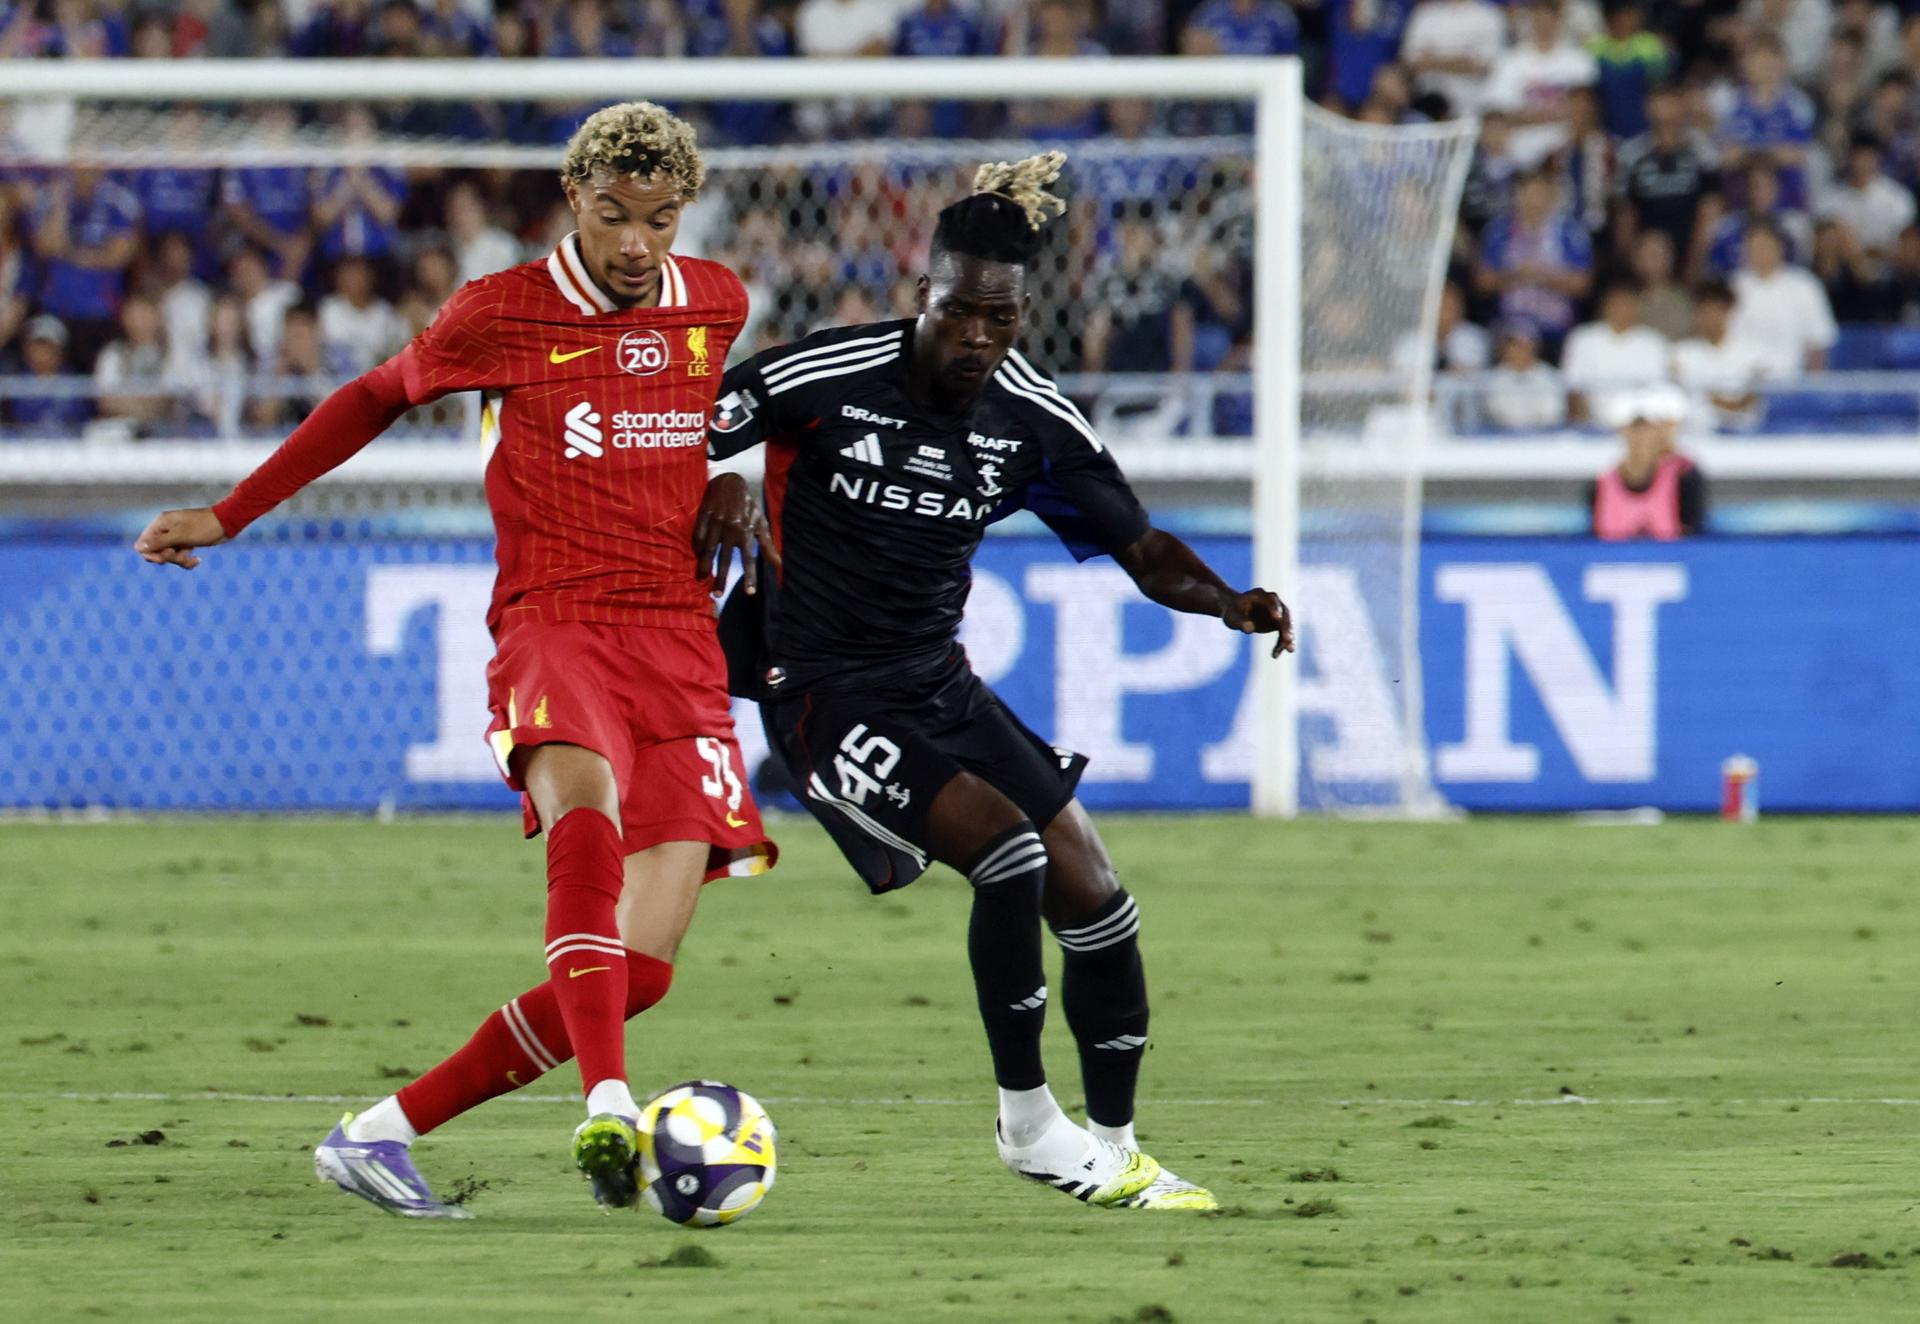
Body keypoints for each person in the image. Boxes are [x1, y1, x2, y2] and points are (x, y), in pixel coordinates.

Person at [132, 101, 778, 1219]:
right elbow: (372, 397)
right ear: (573, 200)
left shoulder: (716, 300)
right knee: (585, 817)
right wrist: (232, 513)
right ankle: (608, 1103)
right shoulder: (501, 310)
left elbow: (705, 414)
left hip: (679, 635)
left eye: (661, 219)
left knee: (644, 971)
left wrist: (734, 475)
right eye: (614, 215)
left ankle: (377, 1134)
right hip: (556, 618)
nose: (637, 243)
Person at [706, 152, 1292, 1212]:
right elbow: (687, 426)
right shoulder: (822, 375)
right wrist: (723, 480)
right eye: (961, 312)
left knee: (1098, 897)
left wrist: (1227, 601)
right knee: (1008, 853)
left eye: (1002, 318)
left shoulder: (1032, 418)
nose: (978, 336)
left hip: (939, 682)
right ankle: (1028, 1126)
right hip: (822, 689)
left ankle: (1114, 1146)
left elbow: (1141, 546)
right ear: (921, 293)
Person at [1587, 385, 1705, 539]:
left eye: (1648, 426)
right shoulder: (1600, 483)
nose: (1641, 435)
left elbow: (1693, 538)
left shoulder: (1685, 478)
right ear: (1621, 430)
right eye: (1635, 426)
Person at [1729, 219, 1837, 375]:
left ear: (1780, 247)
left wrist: (1814, 382)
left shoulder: (1804, 285)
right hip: (1740, 378)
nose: (1759, 252)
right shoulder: (1732, 286)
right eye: (1753, 246)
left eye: (1764, 246)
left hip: (1792, 378)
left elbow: (1818, 341)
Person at [1559, 278, 1669, 423]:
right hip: (1591, 425)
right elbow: (1573, 387)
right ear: (1605, 305)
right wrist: (1582, 424)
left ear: (1639, 306)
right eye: (1617, 303)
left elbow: (1659, 390)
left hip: (1640, 425)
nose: (1622, 308)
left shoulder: (1654, 342)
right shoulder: (1582, 338)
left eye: (1628, 303)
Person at [1670, 279, 1772, 431]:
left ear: (1728, 311)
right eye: (1704, 311)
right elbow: (1681, 400)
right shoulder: (1682, 353)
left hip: (1745, 433)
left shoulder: (1754, 352)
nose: (1710, 317)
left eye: (1716, 310)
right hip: (1699, 433)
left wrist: (1717, 402)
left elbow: (1754, 398)